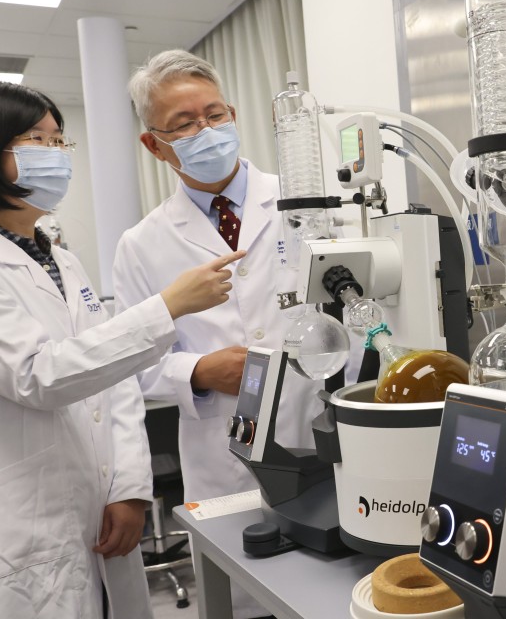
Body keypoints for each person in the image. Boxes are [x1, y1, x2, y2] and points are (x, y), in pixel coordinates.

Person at [0, 80, 245, 619]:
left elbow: (117, 382)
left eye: (59, 140)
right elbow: (39, 377)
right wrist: (167, 307)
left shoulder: (63, 262)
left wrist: (129, 488)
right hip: (13, 527)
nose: (56, 155)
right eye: (35, 139)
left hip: (99, 511)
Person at [113, 50, 323, 618]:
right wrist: (199, 371)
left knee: (335, 588)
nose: (205, 131)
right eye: (183, 124)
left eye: (214, 114)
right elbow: (128, 365)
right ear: (154, 145)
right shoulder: (141, 244)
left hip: (321, 433)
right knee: (249, 597)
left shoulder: (309, 201)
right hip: (222, 454)